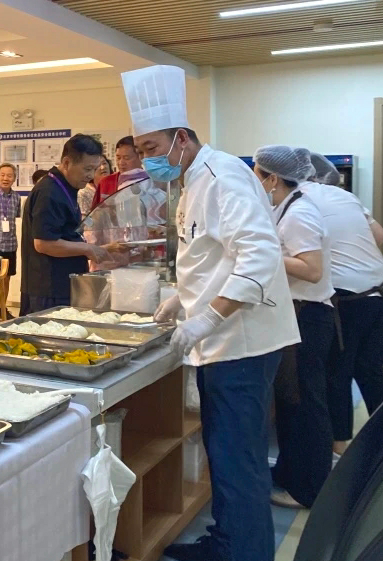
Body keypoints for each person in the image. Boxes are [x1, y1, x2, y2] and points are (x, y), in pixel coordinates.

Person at [122, 65, 300, 561]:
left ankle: (243, 552)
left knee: (237, 459)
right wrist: (183, 298)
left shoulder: (223, 176)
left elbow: (259, 257)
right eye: (141, 150)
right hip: (221, 342)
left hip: (240, 343)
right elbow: (209, 255)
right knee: (225, 456)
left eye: (152, 148)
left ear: (182, 138)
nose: (147, 159)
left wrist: (208, 317)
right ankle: (229, 542)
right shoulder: (192, 180)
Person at [252, 146, 335, 510]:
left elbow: (312, 270)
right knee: (291, 403)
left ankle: (307, 489)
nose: (254, 181)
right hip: (296, 314)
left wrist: (266, 254)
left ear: (273, 179)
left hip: (309, 317)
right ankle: (290, 474)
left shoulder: (300, 213)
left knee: (304, 405)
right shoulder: (285, 208)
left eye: (256, 174)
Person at [302, 152, 383, 456]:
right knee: (373, 372)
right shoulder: (347, 197)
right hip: (374, 295)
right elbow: (380, 237)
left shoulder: (299, 200)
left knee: (337, 374)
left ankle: (339, 449)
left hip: (344, 300)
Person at [19, 134, 117, 314]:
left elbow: (67, 234)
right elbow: (44, 244)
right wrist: (87, 249)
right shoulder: (49, 192)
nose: (90, 175)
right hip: (48, 288)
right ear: (66, 163)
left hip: (62, 283)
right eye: (87, 169)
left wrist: (100, 248)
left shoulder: (66, 187)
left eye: (94, 169)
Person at [92, 136, 143, 208]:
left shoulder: (149, 180)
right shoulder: (106, 182)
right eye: (118, 158)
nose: (121, 163)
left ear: (140, 157)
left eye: (126, 158)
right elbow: (96, 211)